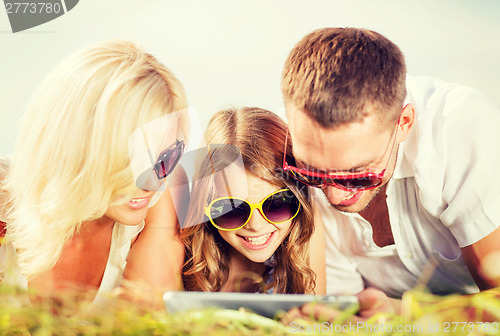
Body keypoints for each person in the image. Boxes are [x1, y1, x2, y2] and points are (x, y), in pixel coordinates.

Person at [280, 27, 500, 318]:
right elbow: (342, 316)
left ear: (404, 123)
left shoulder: (462, 129)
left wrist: (405, 315)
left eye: (357, 175)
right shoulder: (291, 146)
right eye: (311, 173)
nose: (333, 196)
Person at [0, 39, 189, 311]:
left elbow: (149, 319)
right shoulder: (5, 197)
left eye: (167, 156)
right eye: (131, 162)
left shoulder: (159, 196)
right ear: (79, 146)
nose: (155, 180)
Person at [181, 107, 325, 294]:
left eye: (276, 204)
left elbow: (312, 319)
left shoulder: (305, 227)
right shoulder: (186, 248)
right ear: (206, 206)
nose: (255, 225)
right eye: (233, 210)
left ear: (299, 201)